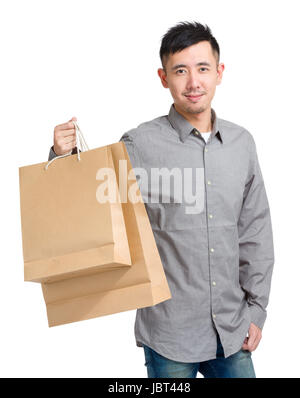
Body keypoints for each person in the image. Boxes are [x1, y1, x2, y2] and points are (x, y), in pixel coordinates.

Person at [48, 21, 275, 378]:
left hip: (232, 331)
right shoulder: (140, 144)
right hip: (169, 333)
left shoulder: (242, 144)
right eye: (180, 71)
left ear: (219, 72)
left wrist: (257, 310)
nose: (193, 82)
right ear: (163, 77)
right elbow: (91, 207)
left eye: (202, 69)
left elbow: (255, 231)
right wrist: (62, 156)